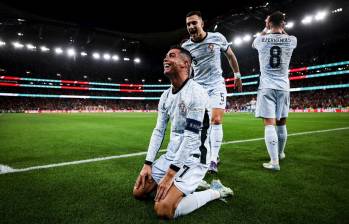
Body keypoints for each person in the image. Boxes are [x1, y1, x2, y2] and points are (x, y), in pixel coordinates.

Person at [132, 46, 233, 219]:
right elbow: (158, 130)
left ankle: (214, 192)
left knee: (163, 209)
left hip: (194, 158)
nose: (165, 59)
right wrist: (147, 163)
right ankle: (182, 186)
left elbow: (191, 137)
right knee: (138, 192)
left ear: (185, 64)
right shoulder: (165, 96)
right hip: (172, 156)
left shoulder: (196, 93)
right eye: (165, 56)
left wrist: (170, 174)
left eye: (171, 56)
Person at [182, 11, 243, 173]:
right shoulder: (185, 47)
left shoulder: (217, 38)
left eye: (194, 22)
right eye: (188, 24)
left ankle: (213, 159)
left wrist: (237, 75)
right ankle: (197, 155)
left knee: (215, 120)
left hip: (216, 86)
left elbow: (231, 56)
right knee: (195, 126)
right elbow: (186, 71)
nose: (191, 26)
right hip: (197, 89)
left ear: (202, 23)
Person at [252, 11, 297, 170]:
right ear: (283, 24)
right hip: (284, 86)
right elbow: (284, 34)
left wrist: (266, 28)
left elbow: (254, 44)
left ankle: (274, 162)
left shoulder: (261, 40)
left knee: (269, 124)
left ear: (269, 23)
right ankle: (281, 153)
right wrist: (280, 27)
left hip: (267, 86)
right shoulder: (292, 40)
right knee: (282, 122)